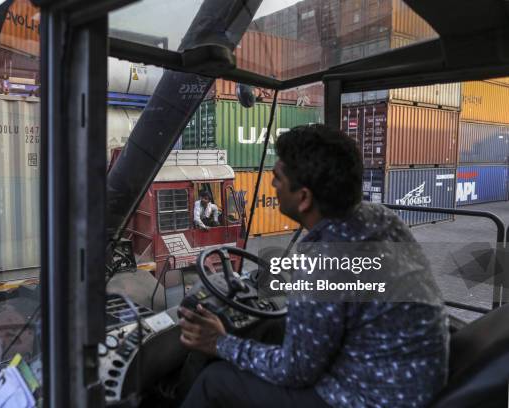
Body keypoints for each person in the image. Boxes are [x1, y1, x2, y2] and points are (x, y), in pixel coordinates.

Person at [178, 125, 449, 407]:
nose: (273, 186)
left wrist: (219, 342)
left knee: (215, 380)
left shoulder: (325, 263)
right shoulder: (380, 217)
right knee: (277, 329)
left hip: (371, 397)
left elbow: (294, 371)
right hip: (416, 376)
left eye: (278, 179)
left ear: (304, 198)